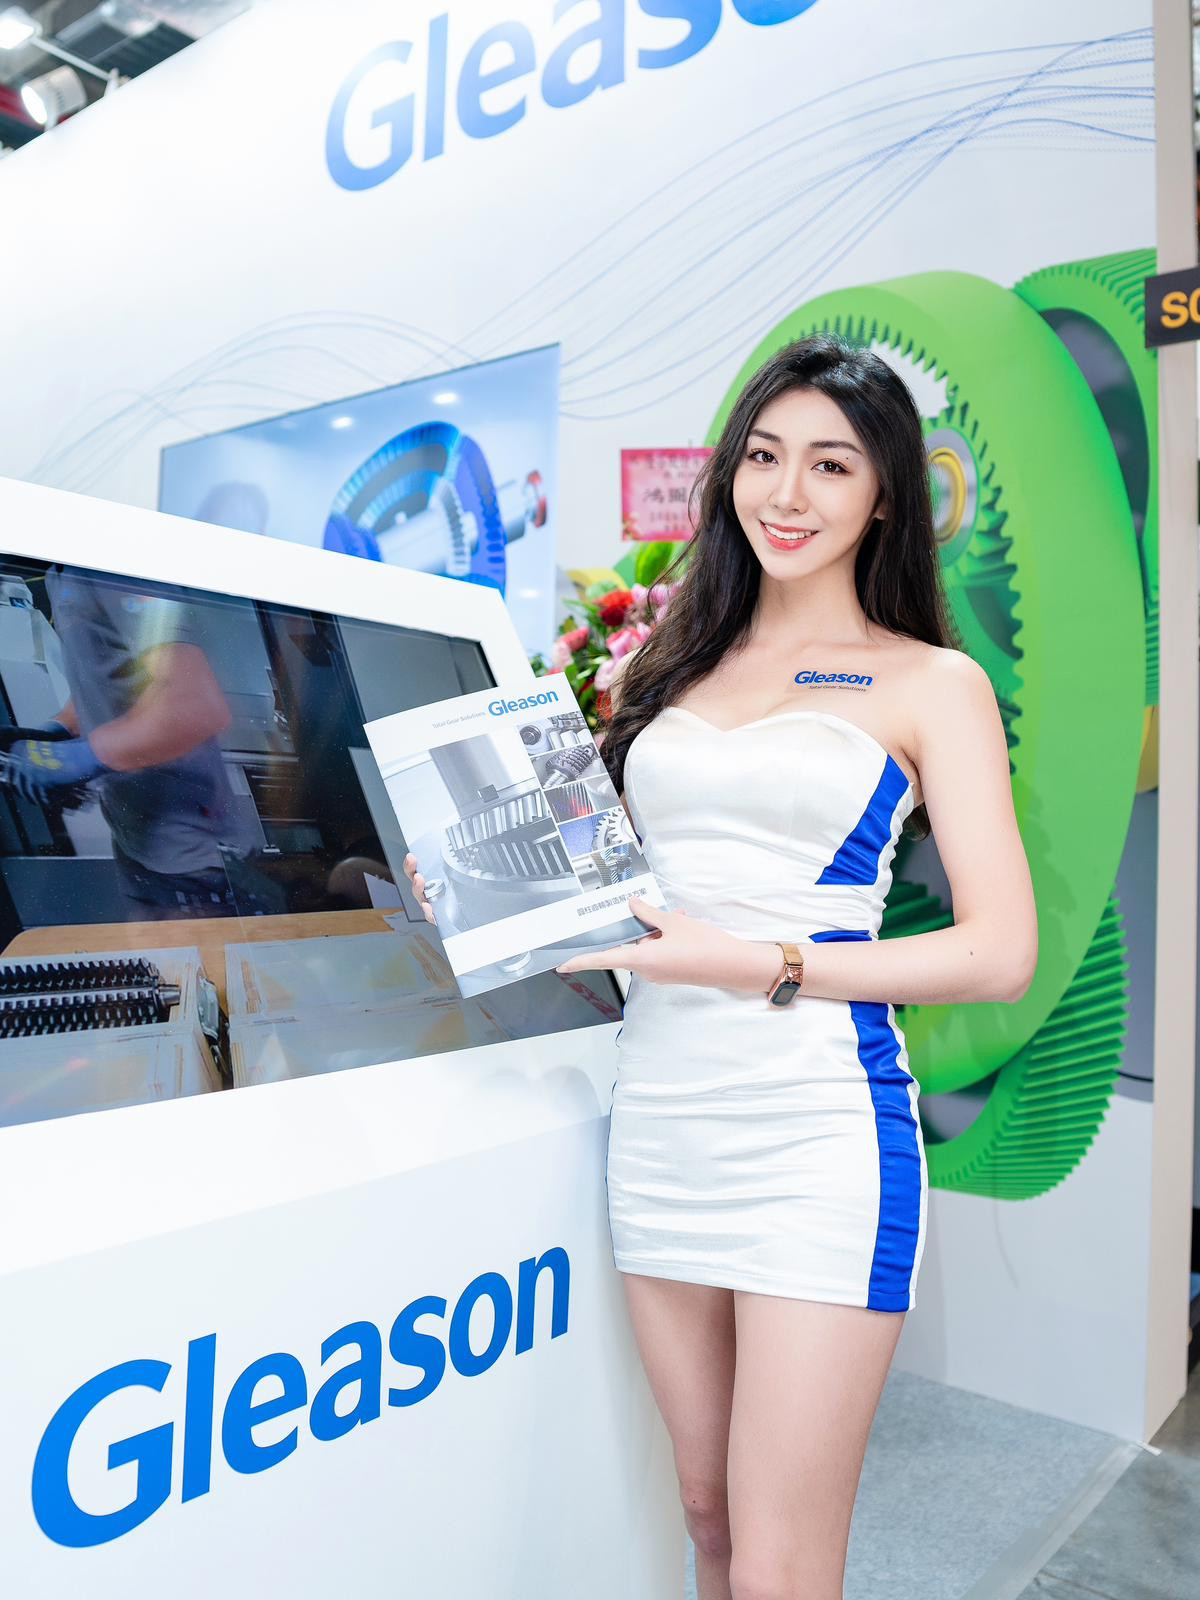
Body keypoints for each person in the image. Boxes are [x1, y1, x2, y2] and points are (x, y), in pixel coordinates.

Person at [406, 333, 1037, 1600]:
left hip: (816, 1132)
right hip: (662, 1123)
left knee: (782, 1563)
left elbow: (999, 952)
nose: (786, 494)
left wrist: (757, 962)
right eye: (762, 456)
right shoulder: (669, 665)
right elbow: (629, 907)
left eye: (831, 465)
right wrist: (488, 892)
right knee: (704, 1519)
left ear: (885, 495)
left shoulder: (933, 682)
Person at [7, 566, 258, 920]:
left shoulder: (114, 564)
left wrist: (86, 755)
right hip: (134, 839)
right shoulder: (58, 574)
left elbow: (196, 706)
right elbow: (106, 675)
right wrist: (59, 729)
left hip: (193, 856)